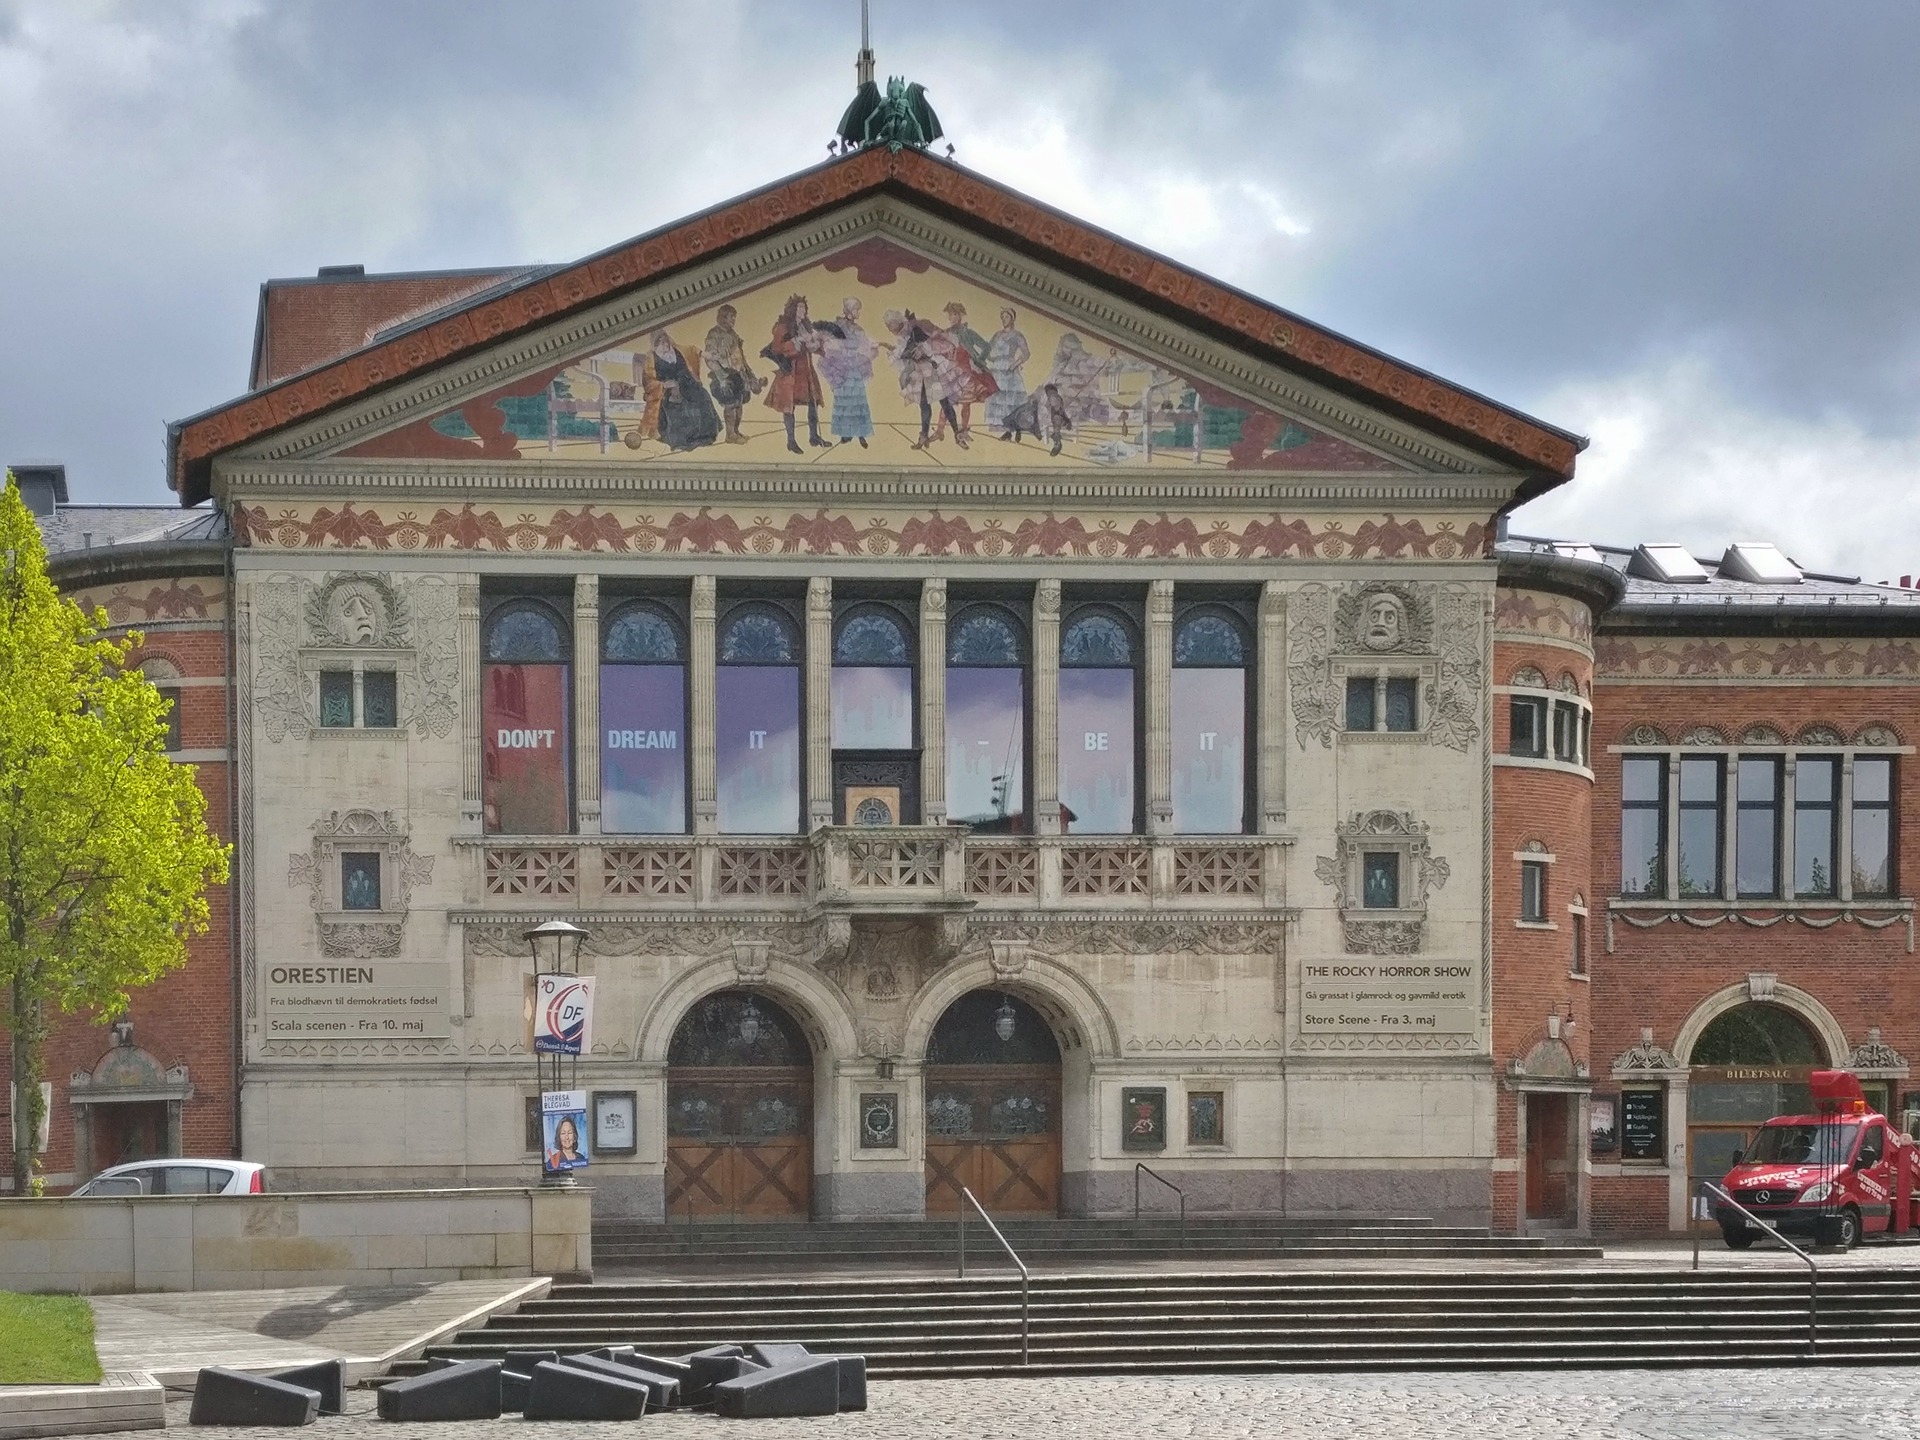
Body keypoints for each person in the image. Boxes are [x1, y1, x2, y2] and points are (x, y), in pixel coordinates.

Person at [631, 331, 720, 452]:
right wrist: (663, 385)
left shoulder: (677, 350)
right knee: (678, 406)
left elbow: (691, 350)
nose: (665, 345)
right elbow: (648, 381)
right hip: (666, 389)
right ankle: (682, 440)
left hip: (687, 383)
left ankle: (704, 435)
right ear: (655, 344)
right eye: (661, 342)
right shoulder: (651, 358)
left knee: (702, 396)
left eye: (666, 341)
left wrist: (705, 355)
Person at [762, 295, 830, 453]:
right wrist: (796, 342)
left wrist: (816, 343)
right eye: (800, 307)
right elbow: (776, 348)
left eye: (804, 307)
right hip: (790, 371)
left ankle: (814, 437)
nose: (803, 310)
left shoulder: (806, 325)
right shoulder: (783, 327)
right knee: (788, 406)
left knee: (813, 402)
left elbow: (815, 344)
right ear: (793, 309)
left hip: (805, 369)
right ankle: (791, 441)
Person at [819, 297, 878, 447]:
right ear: (849, 310)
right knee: (843, 402)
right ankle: (846, 433)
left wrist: (872, 346)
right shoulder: (838, 326)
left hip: (855, 368)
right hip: (842, 368)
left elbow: (864, 344)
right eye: (856, 309)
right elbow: (829, 342)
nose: (858, 312)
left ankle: (860, 434)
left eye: (858, 309)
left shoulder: (859, 330)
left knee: (858, 402)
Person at [702, 305, 764, 444]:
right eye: (731, 317)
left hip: (738, 373)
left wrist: (748, 372)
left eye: (734, 317)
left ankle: (736, 432)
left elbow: (739, 355)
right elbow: (710, 358)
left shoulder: (733, 334)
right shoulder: (714, 334)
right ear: (723, 317)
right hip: (724, 374)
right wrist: (721, 376)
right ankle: (730, 434)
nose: (734, 320)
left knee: (739, 403)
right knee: (730, 404)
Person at [940, 302, 995, 443]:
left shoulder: (967, 333)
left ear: (959, 316)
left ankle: (963, 430)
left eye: (952, 315)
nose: (950, 318)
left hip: (967, 370)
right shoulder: (946, 334)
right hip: (951, 372)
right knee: (947, 400)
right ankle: (940, 430)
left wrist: (978, 360)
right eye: (949, 316)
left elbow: (986, 346)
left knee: (966, 402)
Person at [984, 307, 1030, 433]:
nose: (1004, 320)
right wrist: (990, 359)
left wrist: (1015, 365)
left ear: (1012, 318)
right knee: (995, 395)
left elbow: (1026, 353)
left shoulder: (1017, 335)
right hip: (997, 368)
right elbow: (987, 350)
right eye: (1002, 317)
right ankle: (995, 423)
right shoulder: (997, 335)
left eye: (1007, 317)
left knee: (1008, 396)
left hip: (1009, 368)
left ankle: (1009, 423)